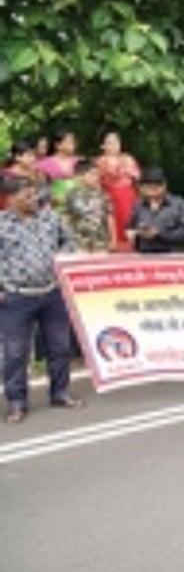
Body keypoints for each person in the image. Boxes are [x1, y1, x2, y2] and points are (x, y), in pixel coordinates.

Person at [0, 175, 83, 422]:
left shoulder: (50, 218)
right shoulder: (2, 224)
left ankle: (60, 392)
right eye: (26, 196)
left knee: (59, 346)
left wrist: (63, 257)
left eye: (34, 194)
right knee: (15, 352)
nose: (33, 199)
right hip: (16, 295)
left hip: (51, 291)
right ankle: (17, 402)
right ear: (11, 198)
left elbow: (69, 242)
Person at [128, 167, 184, 253]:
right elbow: (130, 227)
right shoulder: (138, 206)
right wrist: (135, 234)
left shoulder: (178, 204)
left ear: (165, 185)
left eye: (157, 185)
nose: (152, 189)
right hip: (145, 255)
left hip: (171, 254)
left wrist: (160, 234)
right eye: (148, 186)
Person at [96, 131, 140, 251]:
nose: (114, 145)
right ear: (103, 145)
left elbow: (138, 180)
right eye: (110, 142)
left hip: (128, 198)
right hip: (108, 198)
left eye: (116, 142)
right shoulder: (99, 162)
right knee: (111, 228)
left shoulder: (128, 159)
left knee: (129, 226)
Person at [63, 159, 115, 253]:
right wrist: (64, 239)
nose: (96, 177)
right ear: (79, 176)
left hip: (101, 241)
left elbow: (109, 217)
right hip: (79, 242)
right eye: (92, 174)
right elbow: (66, 218)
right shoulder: (71, 195)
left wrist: (113, 240)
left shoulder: (102, 194)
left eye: (97, 174)